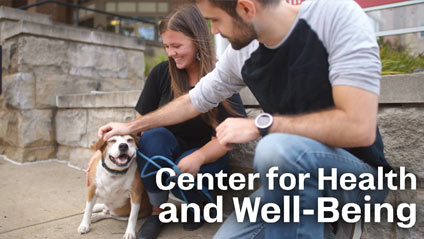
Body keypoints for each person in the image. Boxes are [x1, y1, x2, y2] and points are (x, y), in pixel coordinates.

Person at [98, 0, 393, 239]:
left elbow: (359, 127)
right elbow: (193, 101)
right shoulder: (243, 52)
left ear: (246, 8)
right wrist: (131, 127)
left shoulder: (336, 16)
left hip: (360, 177)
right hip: (287, 180)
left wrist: (261, 125)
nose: (212, 31)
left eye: (215, 20)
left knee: (274, 148)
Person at [133, 5, 245, 239]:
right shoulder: (161, 73)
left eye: (177, 46)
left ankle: (197, 204)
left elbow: (229, 137)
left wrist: (199, 157)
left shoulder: (220, 75)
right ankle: (157, 211)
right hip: (167, 155)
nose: (170, 53)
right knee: (152, 137)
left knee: (187, 164)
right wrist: (104, 150)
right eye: (166, 46)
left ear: (197, 40)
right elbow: (140, 123)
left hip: (206, 159)